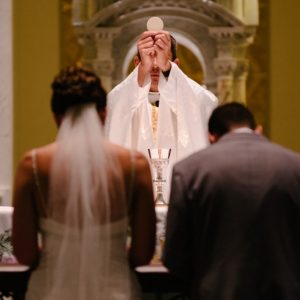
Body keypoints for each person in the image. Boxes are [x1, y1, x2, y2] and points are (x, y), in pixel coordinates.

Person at [12, 66, 156, 300]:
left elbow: (25, 254)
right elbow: (142, 254)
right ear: (104, 113)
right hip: (115, 289)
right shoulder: (134, 164)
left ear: (56, 116)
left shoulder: (33, 165)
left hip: (51, 290)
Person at [163, 102, 300, 300]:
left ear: (211, 136)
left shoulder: (188, 170)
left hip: (216, 291)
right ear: (258, 130)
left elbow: (175, 258)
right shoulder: (295, 166)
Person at [105, 30, 218, 181]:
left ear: (175, 65)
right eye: (149, 59)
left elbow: (206, 103)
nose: (155, 66)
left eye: (162, 60)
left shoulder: (190, 96)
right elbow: (114, 106)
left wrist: (168, 69)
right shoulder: (124, 98)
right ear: (137, 64)